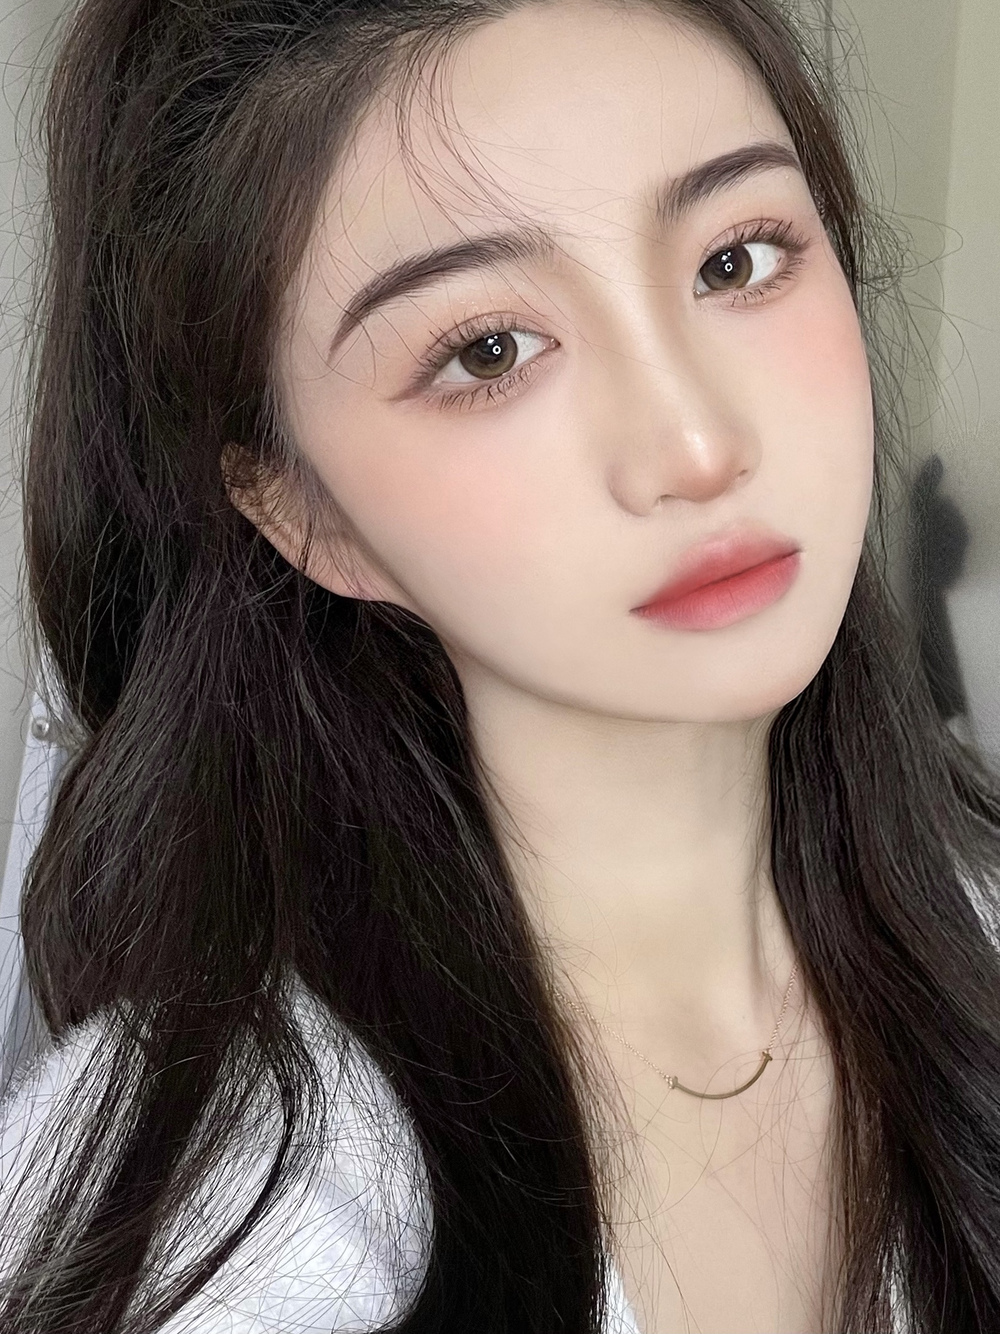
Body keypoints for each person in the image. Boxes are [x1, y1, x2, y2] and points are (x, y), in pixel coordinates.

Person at [1, 0, 999, 1329]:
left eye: (736, 260)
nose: (698, 447)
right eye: (489, 351)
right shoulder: (237, 1223)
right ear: (304, 511)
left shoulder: (973, 933)